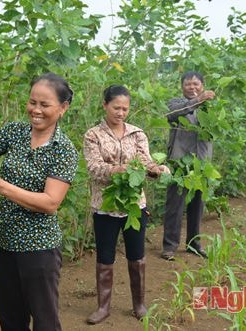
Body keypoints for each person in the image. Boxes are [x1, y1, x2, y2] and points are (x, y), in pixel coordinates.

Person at [0, 73, 78, 331]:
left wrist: (1, 187)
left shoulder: (63, 149)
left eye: (45, 105)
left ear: (63, 108)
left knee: (45, 322)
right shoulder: (15, 132)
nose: (36, 110)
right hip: (5, 243)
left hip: (39, 249)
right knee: (11, 320)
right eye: (32, 102)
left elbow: (50, 202)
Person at [83, 85, 170, 324]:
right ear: (105, 106)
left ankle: (139, 305)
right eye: (116, 108)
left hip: (134, 205)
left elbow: (145, 161)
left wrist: (156, 170)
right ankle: (103, 307)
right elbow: (93, 168)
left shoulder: (137, 133)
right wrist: (119, 170)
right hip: (105, 204)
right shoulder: (93, 135)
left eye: (125, 109)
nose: (121, 113)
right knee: (105, 256)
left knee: (137, 254)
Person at [161, 71, 216, 261]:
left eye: (196, 84)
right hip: (179, 162)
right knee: (175, 206)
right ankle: (170, 246)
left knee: (197, 205)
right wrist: (198, 100)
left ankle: (194, 244)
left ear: (203, 84)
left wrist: (207, 105)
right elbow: (171, 115)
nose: (192, 87)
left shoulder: (211, 108)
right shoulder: (176, 104)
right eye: (188, 84)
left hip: (202, 164)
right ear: (181, 87)